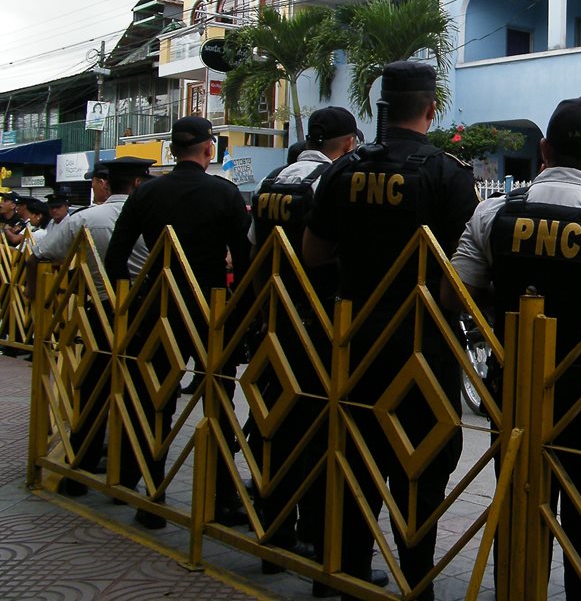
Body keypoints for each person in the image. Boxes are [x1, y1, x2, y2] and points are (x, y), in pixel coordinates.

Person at [448, 96, 581, 600]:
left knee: (518, 506)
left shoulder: (494, 213)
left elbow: (454, 292)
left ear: (544, 150)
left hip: (516, 392)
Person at [304, 61, 477, 599]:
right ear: (431, 109)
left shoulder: (345, 169)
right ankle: (415, 575)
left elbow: (314, 252)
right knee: (424, 460)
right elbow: (463, 272)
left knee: (354, 449)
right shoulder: (449, 174)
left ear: (381, 109)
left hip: (354, 336)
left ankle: (346, 568)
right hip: (424, 341)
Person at [105, 116, 251, 530]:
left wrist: (131, 302)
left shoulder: (147, 193)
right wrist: (238, 313)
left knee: (155, 401)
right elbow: (245, 259)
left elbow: (116, 258)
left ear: (171, 150)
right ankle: (221, 500)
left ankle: (150, 495)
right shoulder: (224, 193)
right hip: (210, 307)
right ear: (209, 149)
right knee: (217, 406)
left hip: (158, 304)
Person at [247, 106, 358, 572]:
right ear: (349, 143)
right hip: (317, 324)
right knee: (317, 433)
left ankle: (272, 528)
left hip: (275, 319)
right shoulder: (329, 182)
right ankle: (315, 535)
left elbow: (256, 250)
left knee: (272, 424)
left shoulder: (272, 181)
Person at [30, 158, 154, 496]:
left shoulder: (86, 218)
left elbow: (40, 255)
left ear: (106, 183)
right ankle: (129, 478)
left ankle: (80, 469)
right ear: (140, 183)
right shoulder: (155, 217)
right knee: (141, 393)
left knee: (94, 389)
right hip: (146, 314)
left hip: (99, 311)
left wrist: (36, 306)